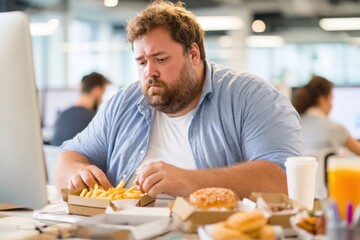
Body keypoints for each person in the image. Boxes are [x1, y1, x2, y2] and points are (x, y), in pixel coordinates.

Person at [55, 0, 302, 199]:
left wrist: (190, 181)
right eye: (141, 62)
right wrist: (78, 172)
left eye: (161, 59)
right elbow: (69, 156)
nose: (149, 72)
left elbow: (284, 178)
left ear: (193, 54)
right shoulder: (124, 103)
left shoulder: (252, 97)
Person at [293, 75, 360, 155]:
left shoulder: (293, 126)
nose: (332, 105)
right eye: (331, 99)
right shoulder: (335, 129)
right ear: (321, 100)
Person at [51, 72, 110, 146]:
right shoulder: (95, 119)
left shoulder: (62, 115)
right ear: (97, 91)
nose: (101, 100)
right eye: (103, 94)